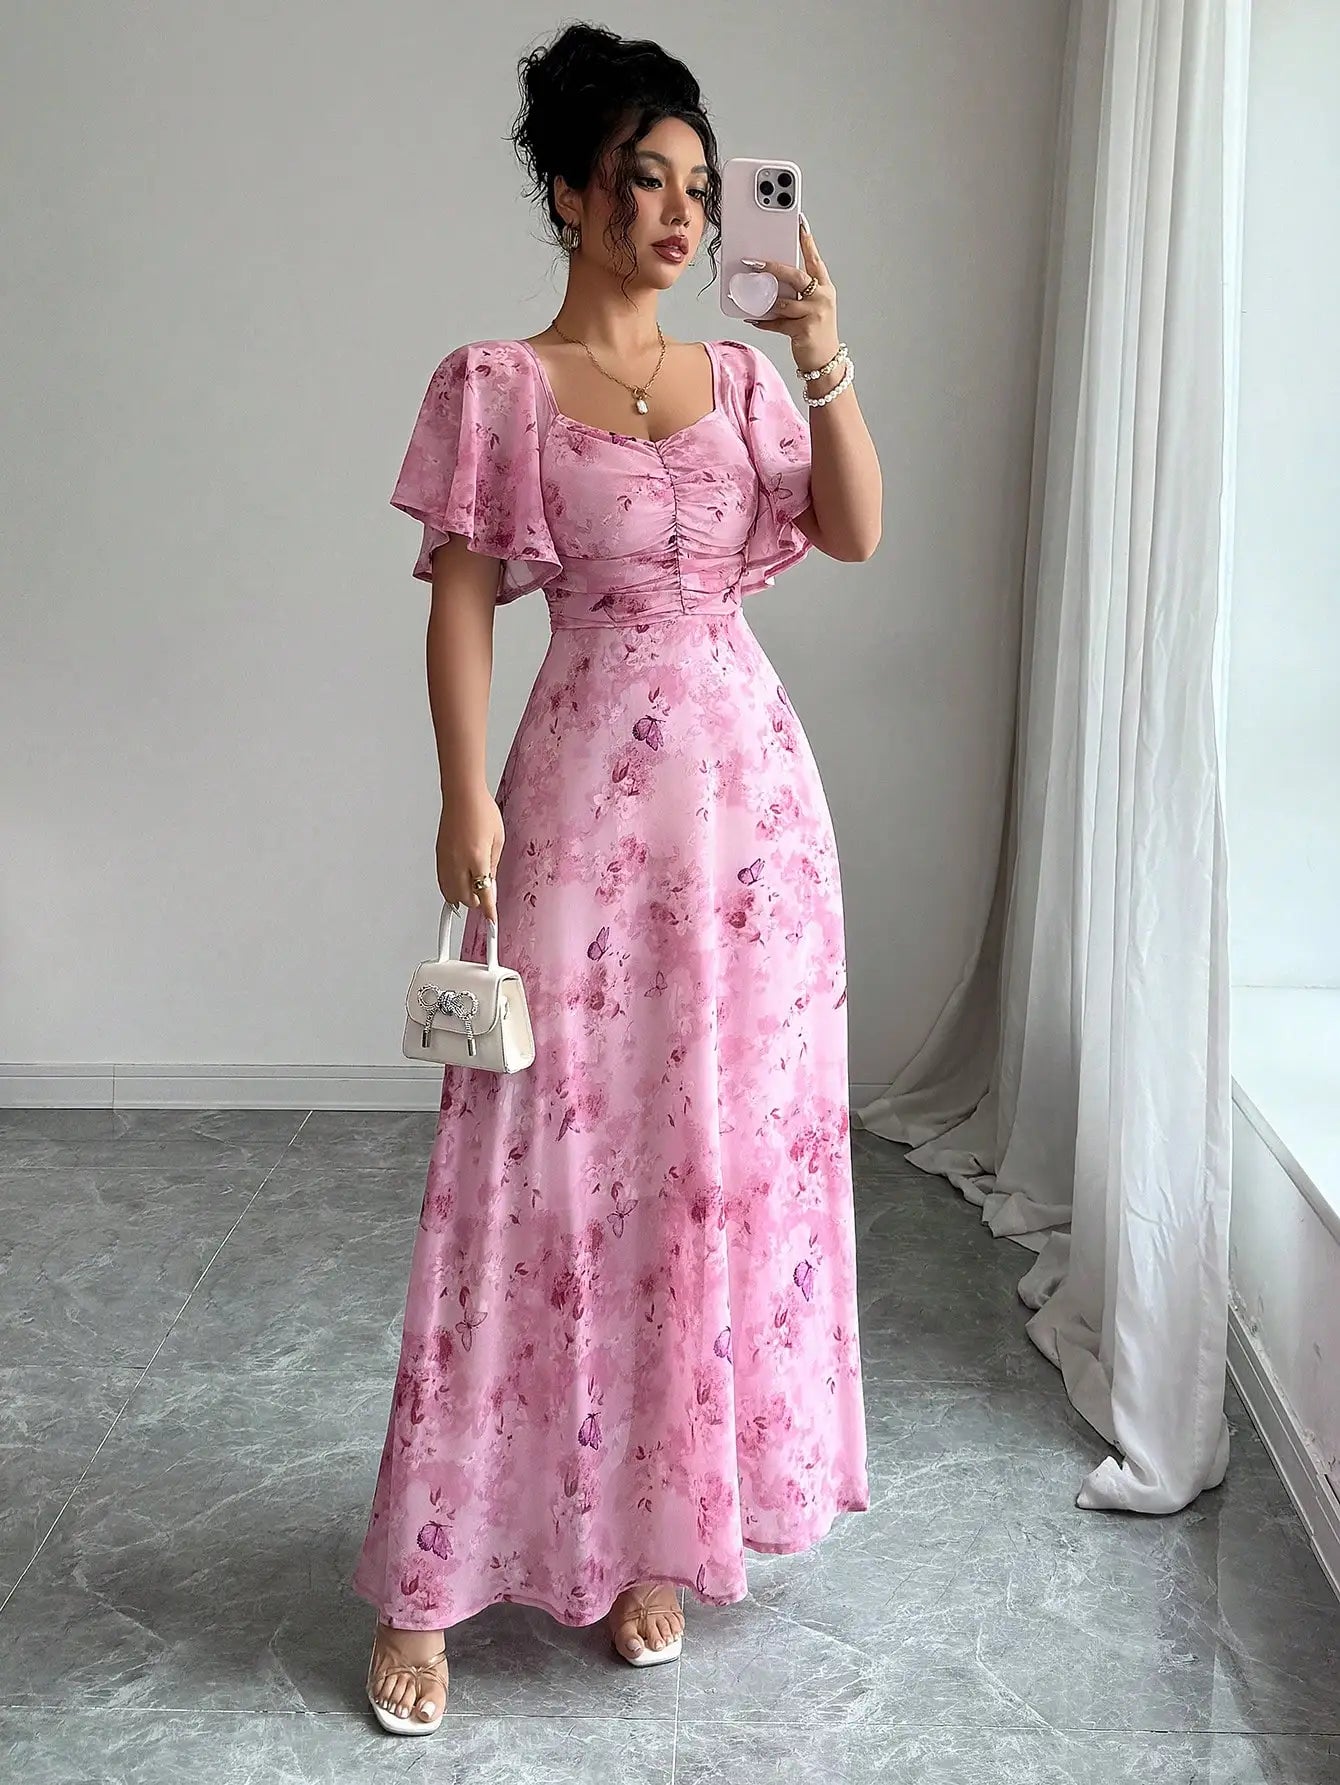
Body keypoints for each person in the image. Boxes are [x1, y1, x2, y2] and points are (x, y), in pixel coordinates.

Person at [352, 20, 883, 1737]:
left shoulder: (736, 386)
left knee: (708, 1165)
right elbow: (453, 588)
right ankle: (427, 1577)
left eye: (700, 186)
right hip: (579, 798)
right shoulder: (495, 387)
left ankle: (658, 1532)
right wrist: (461, 796)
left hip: (752, 821)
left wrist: (823, 354)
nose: (678, 210)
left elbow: (857, 526)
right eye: (645, 181)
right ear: (572, 195)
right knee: (535, 1164)